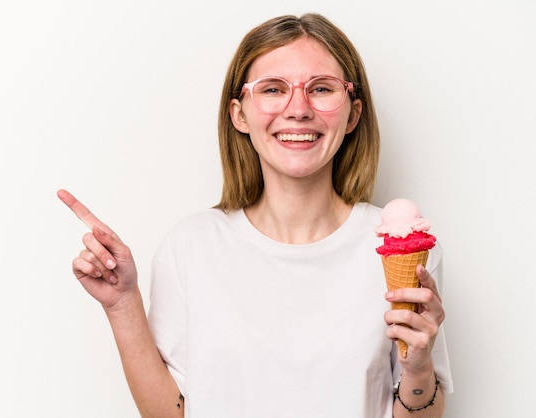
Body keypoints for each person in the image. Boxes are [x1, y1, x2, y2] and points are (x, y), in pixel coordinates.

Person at [58, 13, 452, 418]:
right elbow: (171, 413)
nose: (298, 109)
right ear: (239, 114)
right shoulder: (190, 246)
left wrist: (418, 367)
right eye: (272, 89)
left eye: (321, 88)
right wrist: (122, 304)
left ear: (352, 114)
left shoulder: (398, 246)